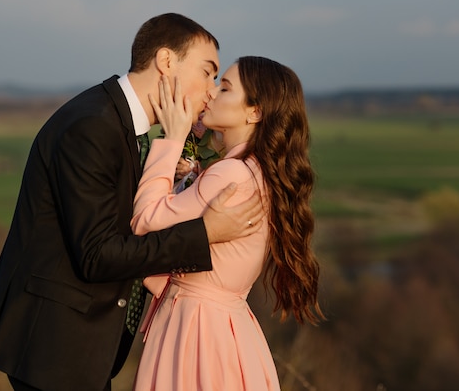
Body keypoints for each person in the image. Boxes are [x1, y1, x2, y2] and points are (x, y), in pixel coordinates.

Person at [0, 13, 266, 391]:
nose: (211, 90)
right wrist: (204, 232)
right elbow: (98, 254)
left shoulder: (124, 126)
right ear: (165, 62)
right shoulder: (92, 126)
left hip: (80, 348)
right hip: (54, 345)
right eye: (208, 72)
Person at [131, 56, 325, 390]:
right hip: (226, 328)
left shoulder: (231, 173)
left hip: (195, 331)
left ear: (255, 111)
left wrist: (172, 140)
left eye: (225, 88)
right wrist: (188, 183)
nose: (211, 93)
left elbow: (145, 223)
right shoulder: (258, 172)